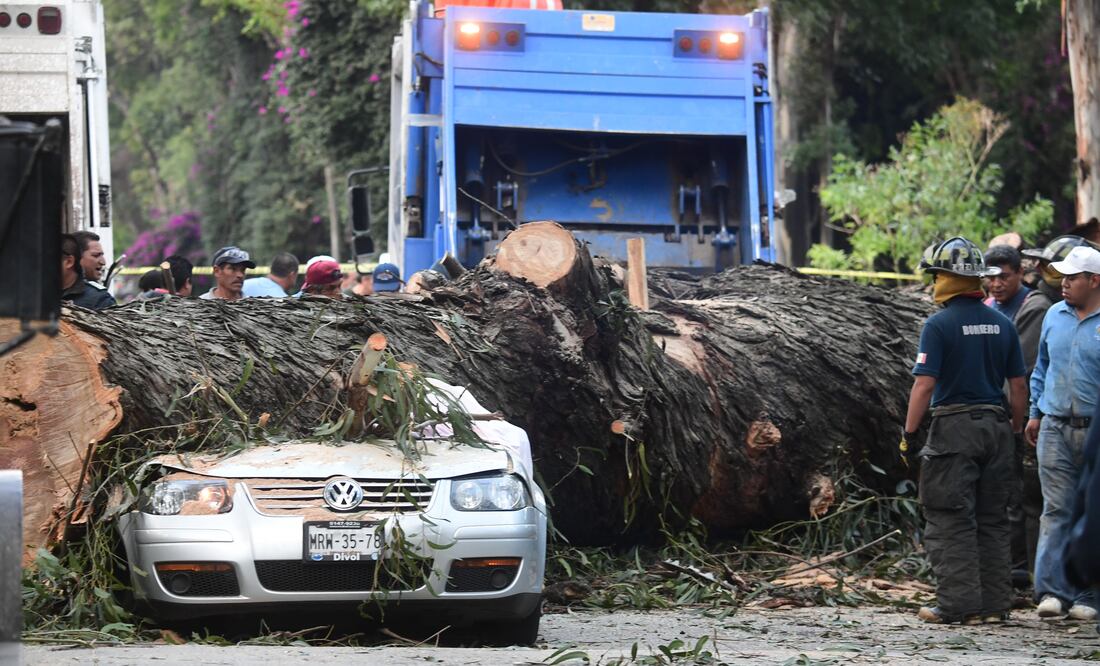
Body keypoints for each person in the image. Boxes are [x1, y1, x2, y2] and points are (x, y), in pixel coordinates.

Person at [904, 236, 1026, 625]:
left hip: (954, 430)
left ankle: (959, 606)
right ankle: (994, 607)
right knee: (992, 518)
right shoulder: (1002, 324)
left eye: (936, 275)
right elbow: (1019, 386)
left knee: (949, 516)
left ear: (949, 278)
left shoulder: (938, 326)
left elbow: (924, 385)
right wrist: (1016, 429)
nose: (933, 282)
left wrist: (908, 434)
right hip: (997, 427)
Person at [1025, 244, 1100, 620]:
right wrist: (1035, 412)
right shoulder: (1054, 315)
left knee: (1094, 510)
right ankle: (1053, 591)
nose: (1063, 283)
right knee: (1055, 509)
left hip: (1096, 430)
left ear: (1094, 280)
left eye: (1072, 278)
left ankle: (1089, 595)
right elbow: (1042, 367)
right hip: (1054, 424)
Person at [60, 233, 115, 310]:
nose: (103, 262)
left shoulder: (99, 300)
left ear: (70, 261)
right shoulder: (39, 295)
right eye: (96, 255)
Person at [985, 245, 1030, 321]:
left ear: (1020, 272)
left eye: (1004, 277)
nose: (996, 284)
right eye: (990, 277)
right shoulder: (988, 304)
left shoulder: (1032, 305)